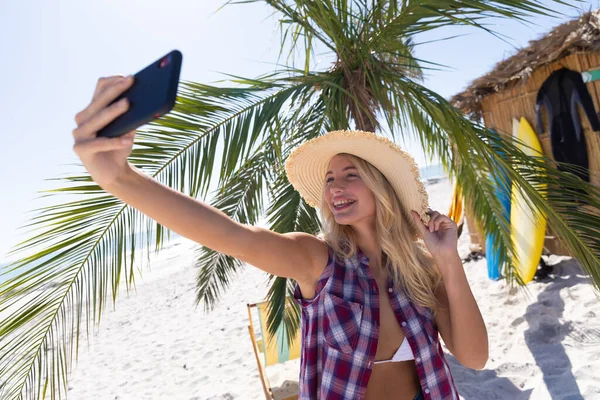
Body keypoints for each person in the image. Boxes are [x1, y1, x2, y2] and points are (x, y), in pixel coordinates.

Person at [73, 76, 488, 400]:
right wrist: (121, 179)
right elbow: (233, 236)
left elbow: (474, 357)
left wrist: (448, 260)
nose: (335, 187)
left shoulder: (420, 270)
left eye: (350, 175)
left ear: (381, 188)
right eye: (329, 179)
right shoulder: (317, 260)